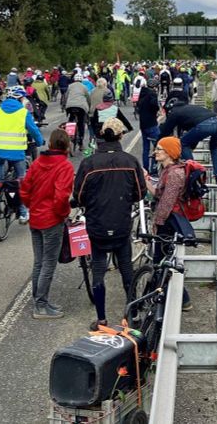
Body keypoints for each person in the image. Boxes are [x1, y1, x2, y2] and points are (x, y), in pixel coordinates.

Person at [73, 118, 146, 328]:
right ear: (121, 135)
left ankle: (102, 318)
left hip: (97, 225)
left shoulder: (89, 163)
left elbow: (78, 195)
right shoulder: (130, 161)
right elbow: (140, 193)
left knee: (98, 270)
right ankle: (133, 314)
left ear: (101, 135)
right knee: (126, 270)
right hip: (121, 223)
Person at [21, 129, 75, 319]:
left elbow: (25, 189)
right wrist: (62, 214)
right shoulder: (65, 166)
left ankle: (38, 298)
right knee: (49, 263)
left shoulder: (37, 163)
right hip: (52, 219)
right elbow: (61, 196)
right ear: (66, 145)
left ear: (51, 144)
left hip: (36, 217)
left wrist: (32, 205)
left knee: (39, 261)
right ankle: (41, 305)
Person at [149, 136, 194, 309]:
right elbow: (159, 195)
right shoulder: (167, 169)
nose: (155, 152)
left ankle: (181, 300)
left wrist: (156, 223)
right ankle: (168, 296)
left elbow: (166, 202)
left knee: (162, 261)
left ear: (169, 153)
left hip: (169, 223)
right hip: (168, 221)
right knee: (163, 261)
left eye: (159, 149)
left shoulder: (174, 173)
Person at [0, 86, 45, 223]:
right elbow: (33, 129)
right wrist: (40, 141)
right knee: (22, 180)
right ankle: (23, 213)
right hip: (16, 151)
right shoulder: (23, 112)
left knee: (0, 172)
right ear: (20, 99)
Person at [158, 98, 217, 186]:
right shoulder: (189, 108)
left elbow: (166, 131)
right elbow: (193, 135)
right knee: (214, 147)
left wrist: (158, 143)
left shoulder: (174, 112)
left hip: (205, 125)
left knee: (182, 143)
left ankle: (194, 173)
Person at [137, 79, 162, 175]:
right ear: (155, 87)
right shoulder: (152, 94)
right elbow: (154, 106)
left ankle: (145, 169)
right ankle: (154, 168)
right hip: (151, 123)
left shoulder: (142, 93)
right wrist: (157, 109)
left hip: (143, 124)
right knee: (158, 146)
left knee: (146, 148)